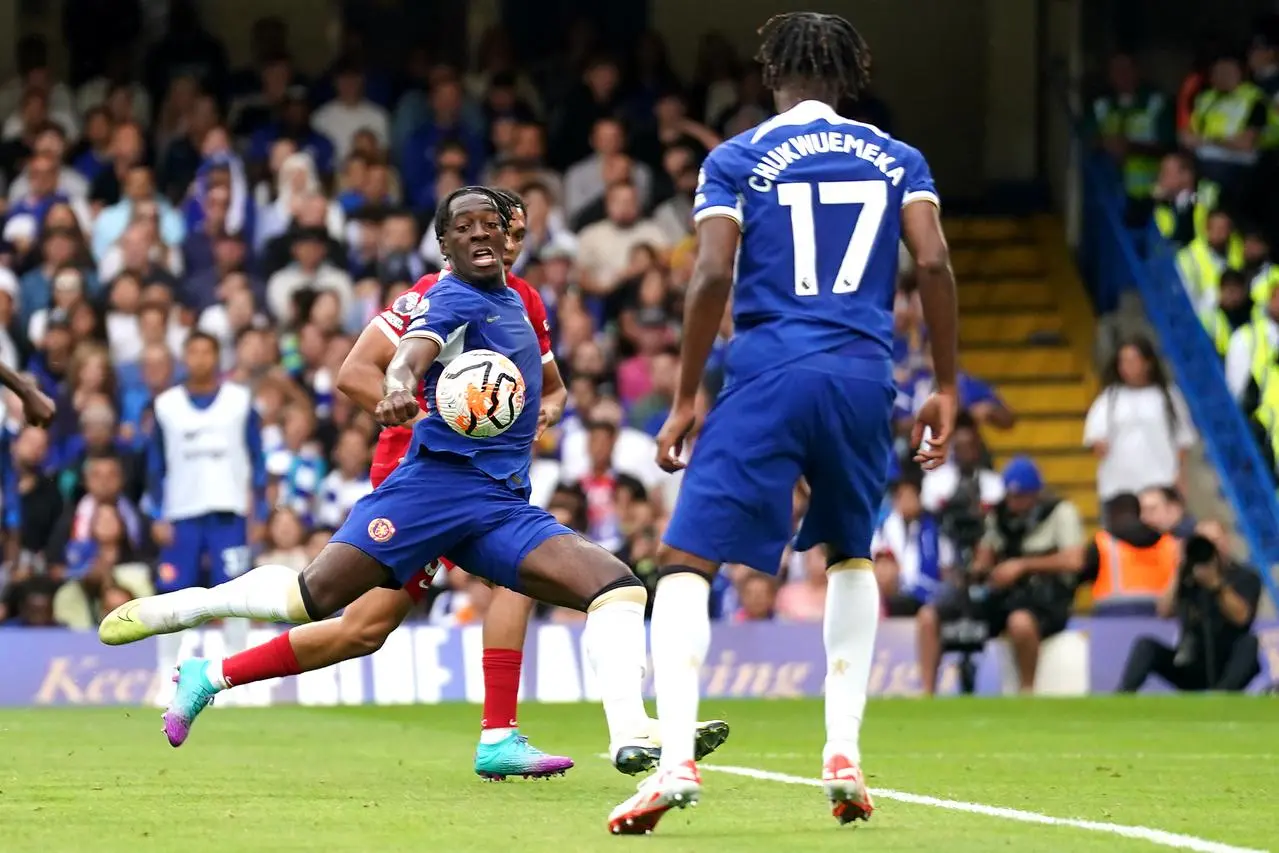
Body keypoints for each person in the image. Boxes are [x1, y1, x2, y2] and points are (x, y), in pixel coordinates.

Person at [98, 187, 714, 782]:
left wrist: (538, 410)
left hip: (498, 495)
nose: (496, 238)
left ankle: (618, 731)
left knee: (610, 588)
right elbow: (386, 361)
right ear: (444, 243)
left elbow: (549, 386)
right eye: (471, 227)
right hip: (422, 482)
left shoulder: (525, 302)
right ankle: (199, 620)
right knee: (329, 608)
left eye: (505, 228)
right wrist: (401, 392)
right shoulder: (441, 296)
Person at [608, 12, 957, 834]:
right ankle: (842, 750)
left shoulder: (735, 157)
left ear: (771, 76)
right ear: (847, 77)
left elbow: (709, 276)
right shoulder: (896, 157)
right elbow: (934, 262)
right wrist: (943, 382)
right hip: (864, 375)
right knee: (849, 551)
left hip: (766, 368)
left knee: (685, 560)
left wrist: (689, 392)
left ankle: (675, 761)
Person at [1119, 530, 1262, 692]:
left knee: (1250, 642)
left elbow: (1242, 617)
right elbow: (1164, 611)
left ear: (1226, 543)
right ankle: (1121, 698)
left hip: (1229, 660)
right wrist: (1180, 571)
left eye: (1215, 540)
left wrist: (1216, 585)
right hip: (1192, 660)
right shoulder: (1188, 578)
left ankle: (1222, 698)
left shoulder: (1245, 576)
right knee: (1146, 645)